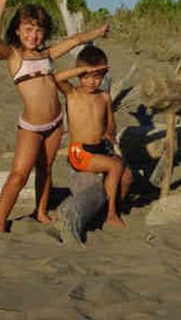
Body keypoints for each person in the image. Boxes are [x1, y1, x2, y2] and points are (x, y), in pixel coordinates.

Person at [0, 0, 109, 233]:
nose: (34, 35)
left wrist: (98, 31)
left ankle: (40, 211)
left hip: (55, 123)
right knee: (18, 175)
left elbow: (75, 40)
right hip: (31, 127)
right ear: (18, 32)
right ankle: (0, 223)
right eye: (28, 29)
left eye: (39, 30)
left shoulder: (46, 55)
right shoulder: (14, 57)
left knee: (46, 168)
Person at [52, 45, 133, 228]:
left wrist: (109, 132)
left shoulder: (104, 97)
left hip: (100, 148)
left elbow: (111, 122)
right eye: (86, 76)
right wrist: (83, 68)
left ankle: (113, 206)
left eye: (96, 77)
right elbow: (56, 78)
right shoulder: (72, 94)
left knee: (127, 177)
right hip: (79, 152)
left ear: (104, 75)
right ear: (79, 75)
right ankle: (111, 214)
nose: (91, 81)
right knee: (116, 165)